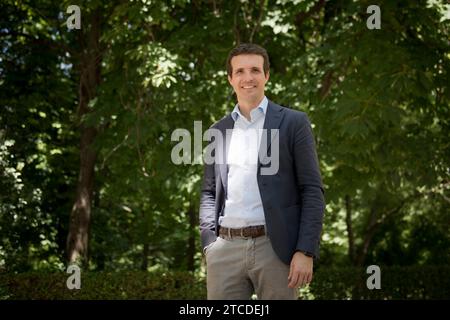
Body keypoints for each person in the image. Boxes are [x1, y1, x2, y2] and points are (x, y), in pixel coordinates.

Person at [199, 43, 325, 300]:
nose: (248, 78)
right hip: (224, 249)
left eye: (255, 70)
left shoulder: (293, 122)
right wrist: (209, 245)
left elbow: (312, 190)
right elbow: (209, 192)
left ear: (266, 75)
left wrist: (306, 250)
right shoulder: (217, 131)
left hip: (275, 248)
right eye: (240, 71)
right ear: (230, 79)